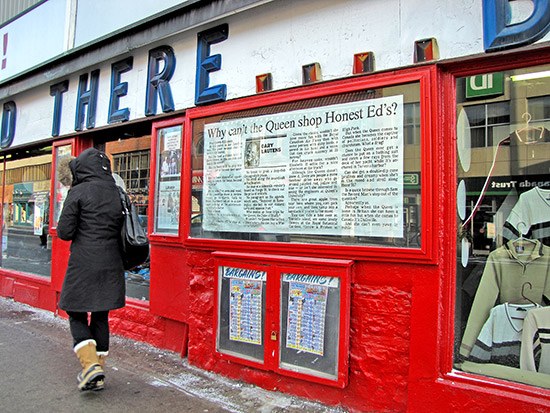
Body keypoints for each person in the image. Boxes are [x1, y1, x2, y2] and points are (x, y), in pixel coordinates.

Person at [57, 148, 125, 391]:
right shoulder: (116, 191)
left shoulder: (78, 191)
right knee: (100, 314)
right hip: (112, 261)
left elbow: (64, 232)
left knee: (74, 311)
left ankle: (90, 366)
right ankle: (97, 369)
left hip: (84, 262)